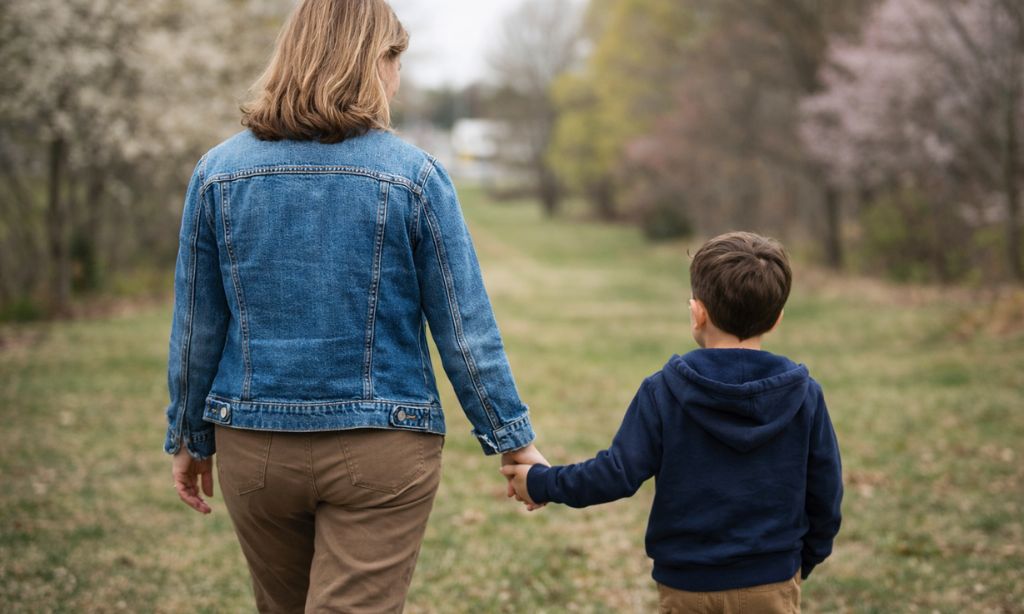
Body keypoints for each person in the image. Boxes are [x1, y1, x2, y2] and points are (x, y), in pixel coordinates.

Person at [163, 1, 547, 611]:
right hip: (383, 447)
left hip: (253, 448)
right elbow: (464, 327)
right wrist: (513, 441)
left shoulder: (217, 173)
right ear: (374, 62)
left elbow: (195, 329)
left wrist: (187, 435)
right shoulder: (414, 177)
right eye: (396, 60)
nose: (398, 79)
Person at [502, 232, 843, 613]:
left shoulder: (663, 391)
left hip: (687, 586)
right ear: (777, 318)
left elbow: (616, 474)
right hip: (773, 580)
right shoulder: (805, 396)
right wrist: (799, 563)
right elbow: (826, 497)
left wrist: (542, 482)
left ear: (698, 313)